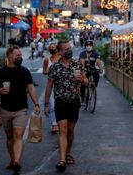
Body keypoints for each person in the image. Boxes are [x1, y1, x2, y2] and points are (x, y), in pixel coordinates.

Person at [0, 46, 40, 174]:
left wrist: (37, 104)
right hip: (5, 110)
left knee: (18, 135)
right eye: (17, 55)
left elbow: (31, 88)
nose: (20, 57)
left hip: (21, 110)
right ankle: (12, 160)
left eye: (20, 55)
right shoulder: (0, 72)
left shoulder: (25, 71)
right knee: (9, 137)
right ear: (10, 57)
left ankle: (17, 161)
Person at [44, 40, 88, 172]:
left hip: (74, 101)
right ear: (60, 52)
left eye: (70, 48)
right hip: (60, 102)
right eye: (66, 49)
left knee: (70, 130)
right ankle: (62, 159)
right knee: (62, 131)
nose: (70, 50)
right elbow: (49, 86)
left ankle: (68, 152)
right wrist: (46, 104)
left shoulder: (77, 64)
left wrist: (82, 80)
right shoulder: (54, 68)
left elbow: (86, 81)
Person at [42, 42, 60, 134]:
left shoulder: (61, 59)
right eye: (50, 47)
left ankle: (60, 121)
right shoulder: (47, 60)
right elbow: (44, 72)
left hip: (61, 86)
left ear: (57, 48)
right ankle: (54, 124)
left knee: (60, 105)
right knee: (52, 105)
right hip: (51, 86)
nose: (51, 48)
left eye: (53, 47)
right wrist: (50, 71)